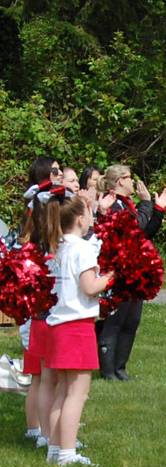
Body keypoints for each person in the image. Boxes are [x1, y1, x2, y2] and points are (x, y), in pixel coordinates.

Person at [45, 196, 113, 466]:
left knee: (62, 390)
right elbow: (89, 287)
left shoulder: (58, 247)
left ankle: (54, 448)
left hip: (58, 324)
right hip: (77, 326)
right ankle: (68, 453)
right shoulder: (83, 249)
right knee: (78, 392)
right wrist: (112, 276)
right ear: (80, 219)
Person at [95, 164, 166, 380]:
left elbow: (144, 234)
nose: (133, 182)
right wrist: (147, 203)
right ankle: (108, 371)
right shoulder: (113, 204)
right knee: (115, 322)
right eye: (129, 178)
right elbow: (135, 227)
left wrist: (158, 209)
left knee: (131, 321)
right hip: (118, 273)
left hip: (134, 272)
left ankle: (120, 368)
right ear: (120, 181)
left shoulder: (127, 205)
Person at [19, 157, 64, 448]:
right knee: (48, 377)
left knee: (38, 376)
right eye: (57, 171)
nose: (61, 174)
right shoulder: (45, 227)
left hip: (35, 311)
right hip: (46, 312)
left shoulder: (29, 220)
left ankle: (37, 430)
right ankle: (48, 433)